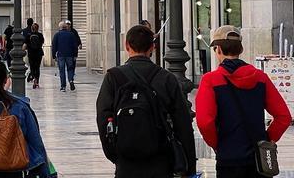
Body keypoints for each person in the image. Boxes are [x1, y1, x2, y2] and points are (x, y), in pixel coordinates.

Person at [96, 25, 197, 178]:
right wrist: (189, 165)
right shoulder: (166, 77)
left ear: (126, 46)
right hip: (160, 157)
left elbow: (103, 117)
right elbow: (182, 123)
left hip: (126, 159)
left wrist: (114, 153)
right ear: (153, 47)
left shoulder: (114, 77)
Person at [195, 26, 291, 178]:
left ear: (218, 49)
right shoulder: (260, 77)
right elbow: (283, 117)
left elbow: (204, 122)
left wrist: (217, 144)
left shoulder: (210, 80)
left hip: (229, 158)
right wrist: (266, 139)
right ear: (240, 49)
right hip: (258, 158)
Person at [51, 21, 79, 92]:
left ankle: (63, 86)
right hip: (70, 55)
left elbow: (54, 46)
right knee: (70, 69)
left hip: (61, 55)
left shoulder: (57, 35)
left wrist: (54, 56)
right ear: (66, 27)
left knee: (62, 70)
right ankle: (71, 80)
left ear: (60, 27)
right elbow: (75, 46)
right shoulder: (71, 34)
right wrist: (75, 55)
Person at [26, 23, 45, 89]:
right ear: (38, 28)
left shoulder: (28, 35)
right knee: (37, 67)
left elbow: (26, 44)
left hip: (31, 53)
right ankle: (37, 81)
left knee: (32, 67)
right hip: (39, 53)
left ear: (31, 28)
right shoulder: (40, 35)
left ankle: (33, 77)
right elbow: (42, 43)